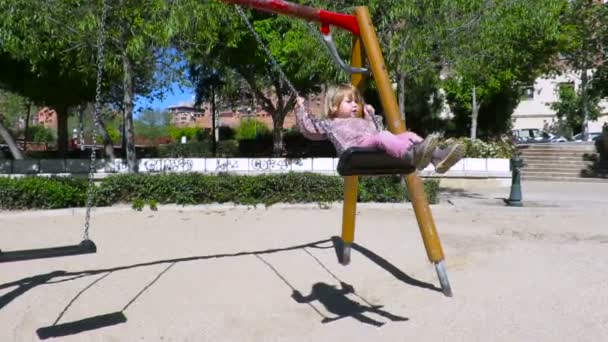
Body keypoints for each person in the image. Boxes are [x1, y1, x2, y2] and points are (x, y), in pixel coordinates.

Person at [295, 84, 464, 173]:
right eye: (349, 102)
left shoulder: (363, 119)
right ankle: (413, 154)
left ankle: (438, 157)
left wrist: (371, 115)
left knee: (408, 134)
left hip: (373, 145)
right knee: (383, 136)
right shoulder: (330, 123)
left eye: (356, 101)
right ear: (333, 106)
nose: (355, 105)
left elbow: (378, 130)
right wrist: (300, 108)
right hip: (355, 151)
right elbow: (309, 129)